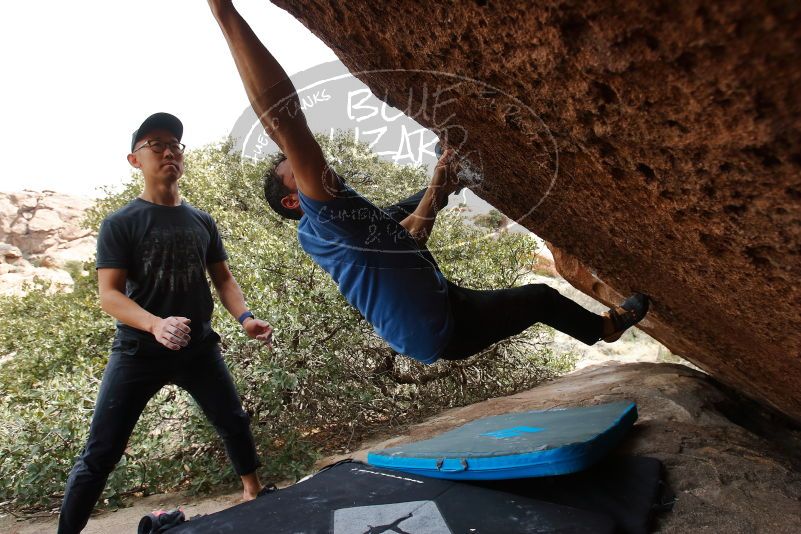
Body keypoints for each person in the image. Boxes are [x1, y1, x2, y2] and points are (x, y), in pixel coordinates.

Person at [208, 1, 649, 365]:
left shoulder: (327, 226)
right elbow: (287, 125)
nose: (307, 166)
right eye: (295, 170)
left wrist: (446, 183)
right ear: (293, 200)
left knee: (401, 210)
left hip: (433, 307)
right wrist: (225, 12)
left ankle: (451, 182)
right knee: (539, 300)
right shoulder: (323, 212)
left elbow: (396, 220)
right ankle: (604, 329)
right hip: (439, 329)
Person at [58, 112, 273, 534]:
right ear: (134, 160)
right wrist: (155, 325)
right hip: (139, 352)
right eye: (156, 144)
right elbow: (110, 295)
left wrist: (245, 318)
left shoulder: (201, 220)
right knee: (101, 451)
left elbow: (223, 279)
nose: (169, 150)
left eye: (175, 144)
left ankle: (253, 493)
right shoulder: (121, 223)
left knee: (233, 420)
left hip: (198, 348)